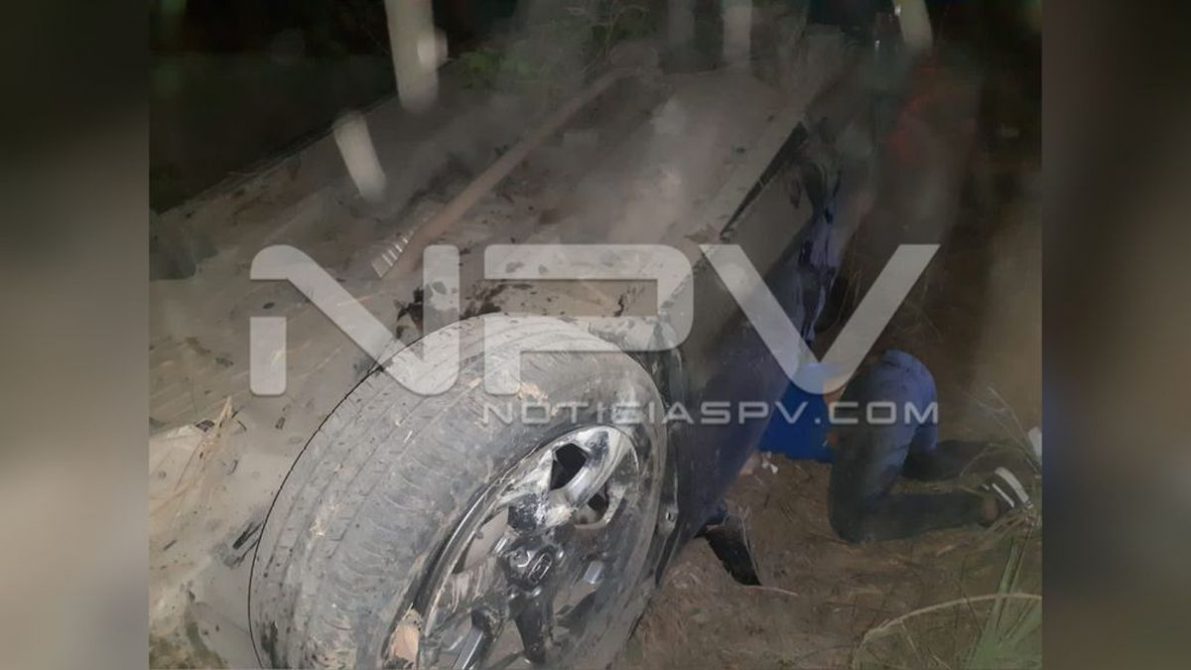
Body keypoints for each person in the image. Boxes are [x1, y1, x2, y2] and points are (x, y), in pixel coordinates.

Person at [759, 349, 1032, 543]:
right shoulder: (758, 406)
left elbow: (822, 387)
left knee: (853, 519)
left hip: (880, 394)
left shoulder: (752, 402)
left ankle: (990, 504)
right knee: (922, 463)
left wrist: (848, 413)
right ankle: (1020, 453)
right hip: (909, 377)